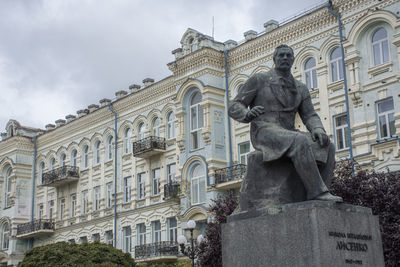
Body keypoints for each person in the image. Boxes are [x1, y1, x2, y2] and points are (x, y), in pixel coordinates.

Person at [228, 44, 342, 202]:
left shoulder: (300, 88)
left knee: (327, 145)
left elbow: (309, 114)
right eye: (281, 55)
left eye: (288, 56)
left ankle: (319, 193)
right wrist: (247, 114)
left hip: (287, 131)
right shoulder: (259, 80)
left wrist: (317, 129)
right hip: (264, 131)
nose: (285, 58)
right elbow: (234, 105)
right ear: (274, 59)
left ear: (293, 60)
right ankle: (318, 193)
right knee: (300, 140)